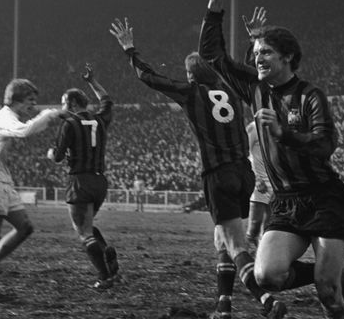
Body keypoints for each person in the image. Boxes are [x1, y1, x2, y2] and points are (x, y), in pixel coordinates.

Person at [198, 0, 344, 319]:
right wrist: (215, 4)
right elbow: (212, 56)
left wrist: (284, 133)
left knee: (330, 296)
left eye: (266, 52)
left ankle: (332, 286)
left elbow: (325, 144)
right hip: (285, 202)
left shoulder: (310, 95)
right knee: (266, 275)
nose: (257, 59)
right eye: (256, 53)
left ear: (288, 57)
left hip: (324, 199)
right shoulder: (255, 90)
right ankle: (326, 276)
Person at [109, 17, 286, 319]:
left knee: (234, 244)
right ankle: (224, 305)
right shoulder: (230, 91)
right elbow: (248, 76)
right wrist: (252, 40)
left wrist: (130, 50)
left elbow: (149, 77)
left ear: (192, 75)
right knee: (223, 239)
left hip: (218, 175)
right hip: (245, 175)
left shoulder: (191, 92)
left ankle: (266, 300)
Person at [0, 78, 67, 300]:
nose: (32, 106)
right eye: (29, 101)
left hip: (2, 180)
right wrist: (51, 114)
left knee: (25, 227)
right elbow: (24, 131)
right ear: (15, 100)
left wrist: (49, 116)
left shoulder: (8, 117)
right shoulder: (3, 118)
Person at [46, 64, 120, 289]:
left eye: (63, 103)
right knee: (89, 225)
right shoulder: (100, 119)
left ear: (72, 103)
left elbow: (58, 156)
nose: (62, 108)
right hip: (100, 182)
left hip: (80, 181)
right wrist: (92, 81)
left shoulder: (69, 124)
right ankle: (107, 255)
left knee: (84, 232)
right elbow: (107, 100)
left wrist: (50, 153)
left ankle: (104, 277)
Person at [245, 121, 272, 250]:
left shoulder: (278, 125)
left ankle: (261, 255)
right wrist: (255, 178)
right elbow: (244, 154)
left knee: (270, 225)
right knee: (255, 224)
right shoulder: (253, 128)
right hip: (260, 181)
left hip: (275, 182)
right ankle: (243, 256)